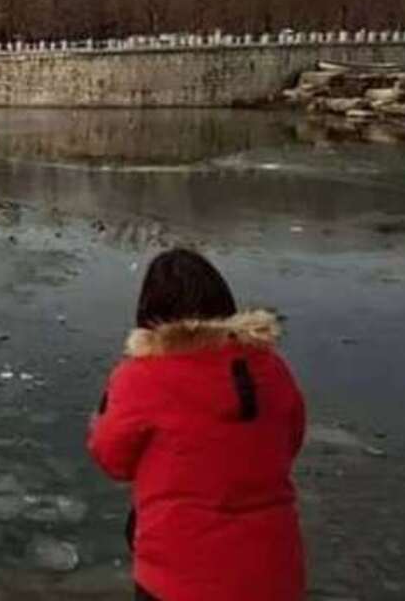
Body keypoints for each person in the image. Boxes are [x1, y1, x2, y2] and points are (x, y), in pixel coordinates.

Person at [88, 248, 306, 601]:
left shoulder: (141, 377)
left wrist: (104, 413)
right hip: (274, 571)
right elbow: (290, 439)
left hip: (178, 578)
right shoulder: (271, 368)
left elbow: (113, 459)